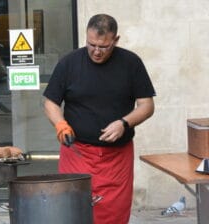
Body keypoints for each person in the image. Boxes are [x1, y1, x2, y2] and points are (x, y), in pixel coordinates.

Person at [43, 14, 155, 224]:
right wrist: (60, 124)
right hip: (76, 153)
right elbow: (50, 102)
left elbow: (147, 105)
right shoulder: (69, 63)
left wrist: (124, 123)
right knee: (73, 212)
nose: (96, 51)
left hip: (117, 158)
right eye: (91, 44)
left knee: (114, 214)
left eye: (104, 46)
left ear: (116, 40)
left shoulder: (131, 63)